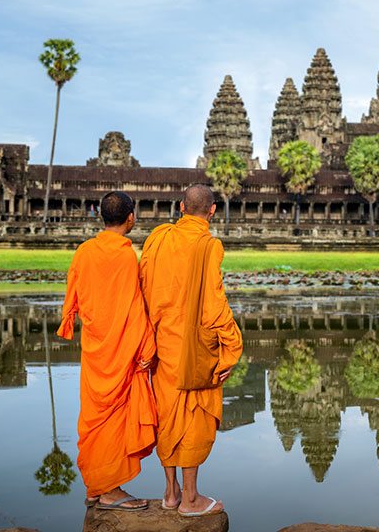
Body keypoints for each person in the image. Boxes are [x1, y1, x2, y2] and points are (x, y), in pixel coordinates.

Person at [139, 184, 243, 517]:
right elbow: (214, 304)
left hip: (161, 343)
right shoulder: (209, 245)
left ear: (181, 206)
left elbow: (143, 287)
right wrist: (232, 347)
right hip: (194, 349)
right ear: (212, 211)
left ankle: (170, 493)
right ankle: (191, 498)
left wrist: (146, 339)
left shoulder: (157, 238)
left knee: (167, 416)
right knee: (193, 418)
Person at [57, 191, 157, 510]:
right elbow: (133, 307)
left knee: (94, 418)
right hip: (119, 351)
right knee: (112, 419)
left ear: (102, 217)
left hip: (96, 348)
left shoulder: (84, 252)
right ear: (131, 217)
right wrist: (146, 347)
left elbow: (73, 295)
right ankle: (109, 490)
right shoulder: (127, 257)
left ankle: (95, 487)